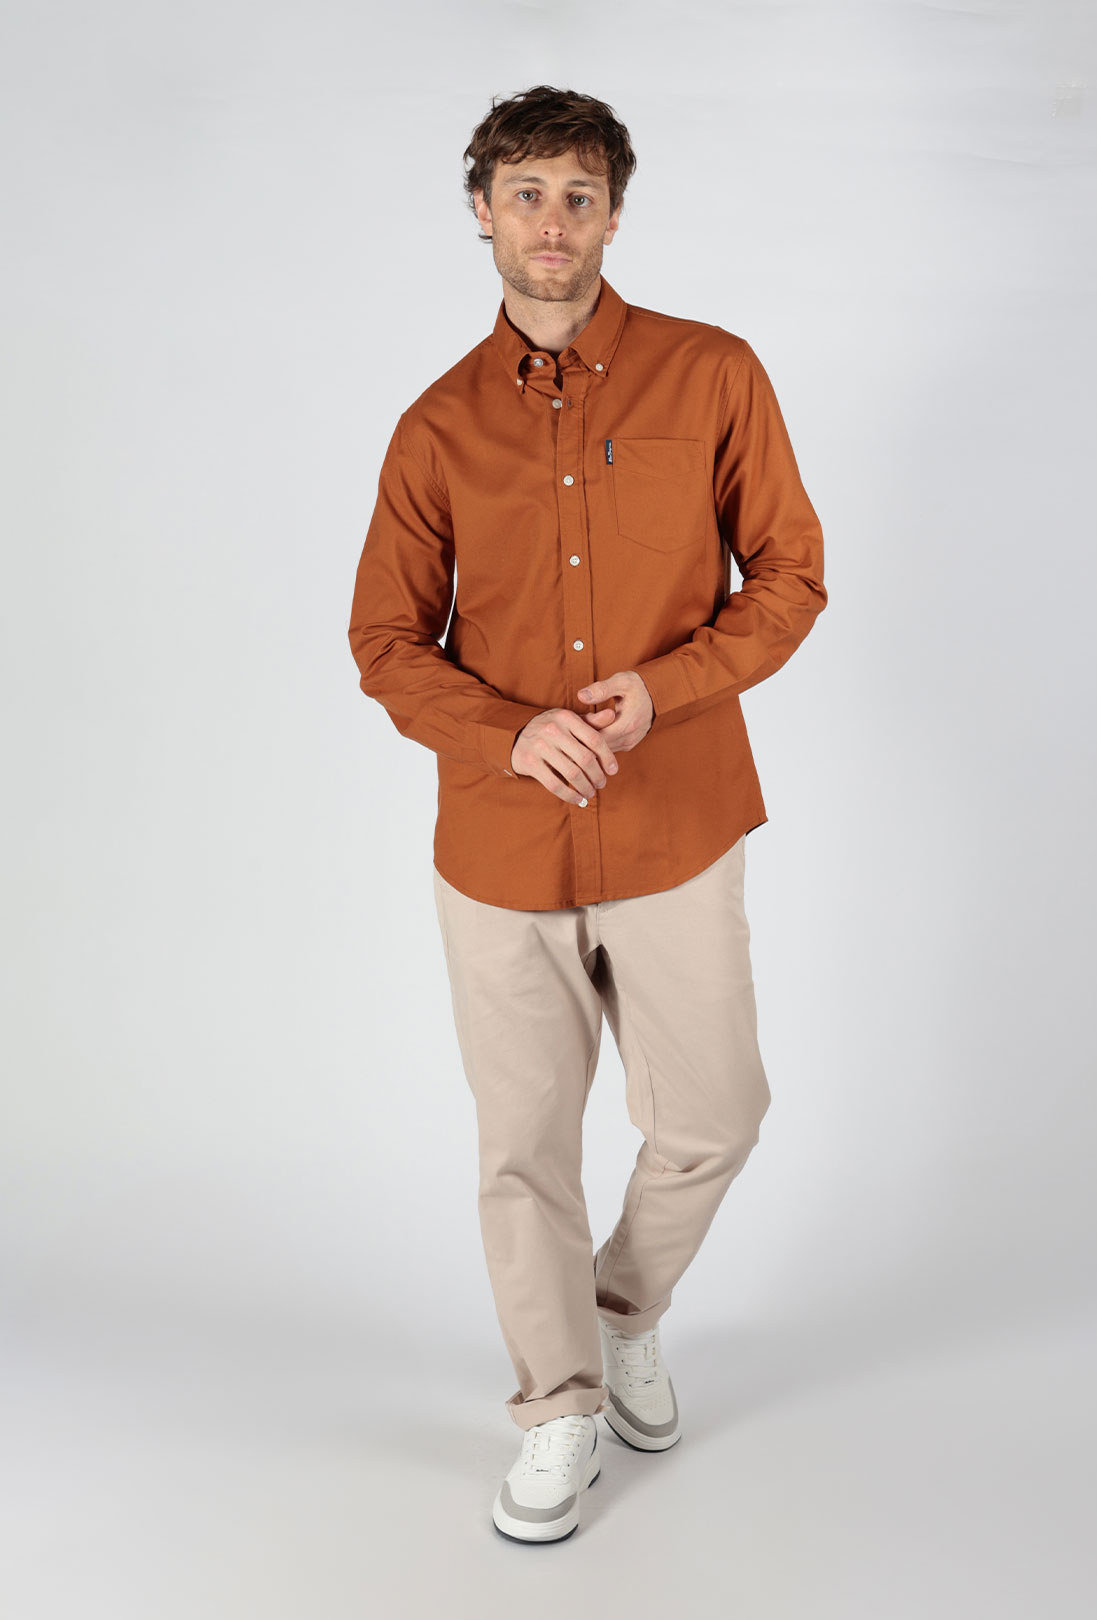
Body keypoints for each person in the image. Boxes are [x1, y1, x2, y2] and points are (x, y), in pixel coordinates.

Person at [347, 84, 827, 1543]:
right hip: (502, 849)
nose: (551, 222)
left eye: (578, 195)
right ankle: (558, 1405)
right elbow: (385, 641)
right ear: (481, 210)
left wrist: (662, 690)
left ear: (614, 215)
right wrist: (512, 732)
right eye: (526, 193)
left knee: (717, 1117)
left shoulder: (713, 374)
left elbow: (790, 576)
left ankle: (623, 1311)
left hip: (678, 822)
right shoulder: (435, 427)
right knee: (524, 1148)